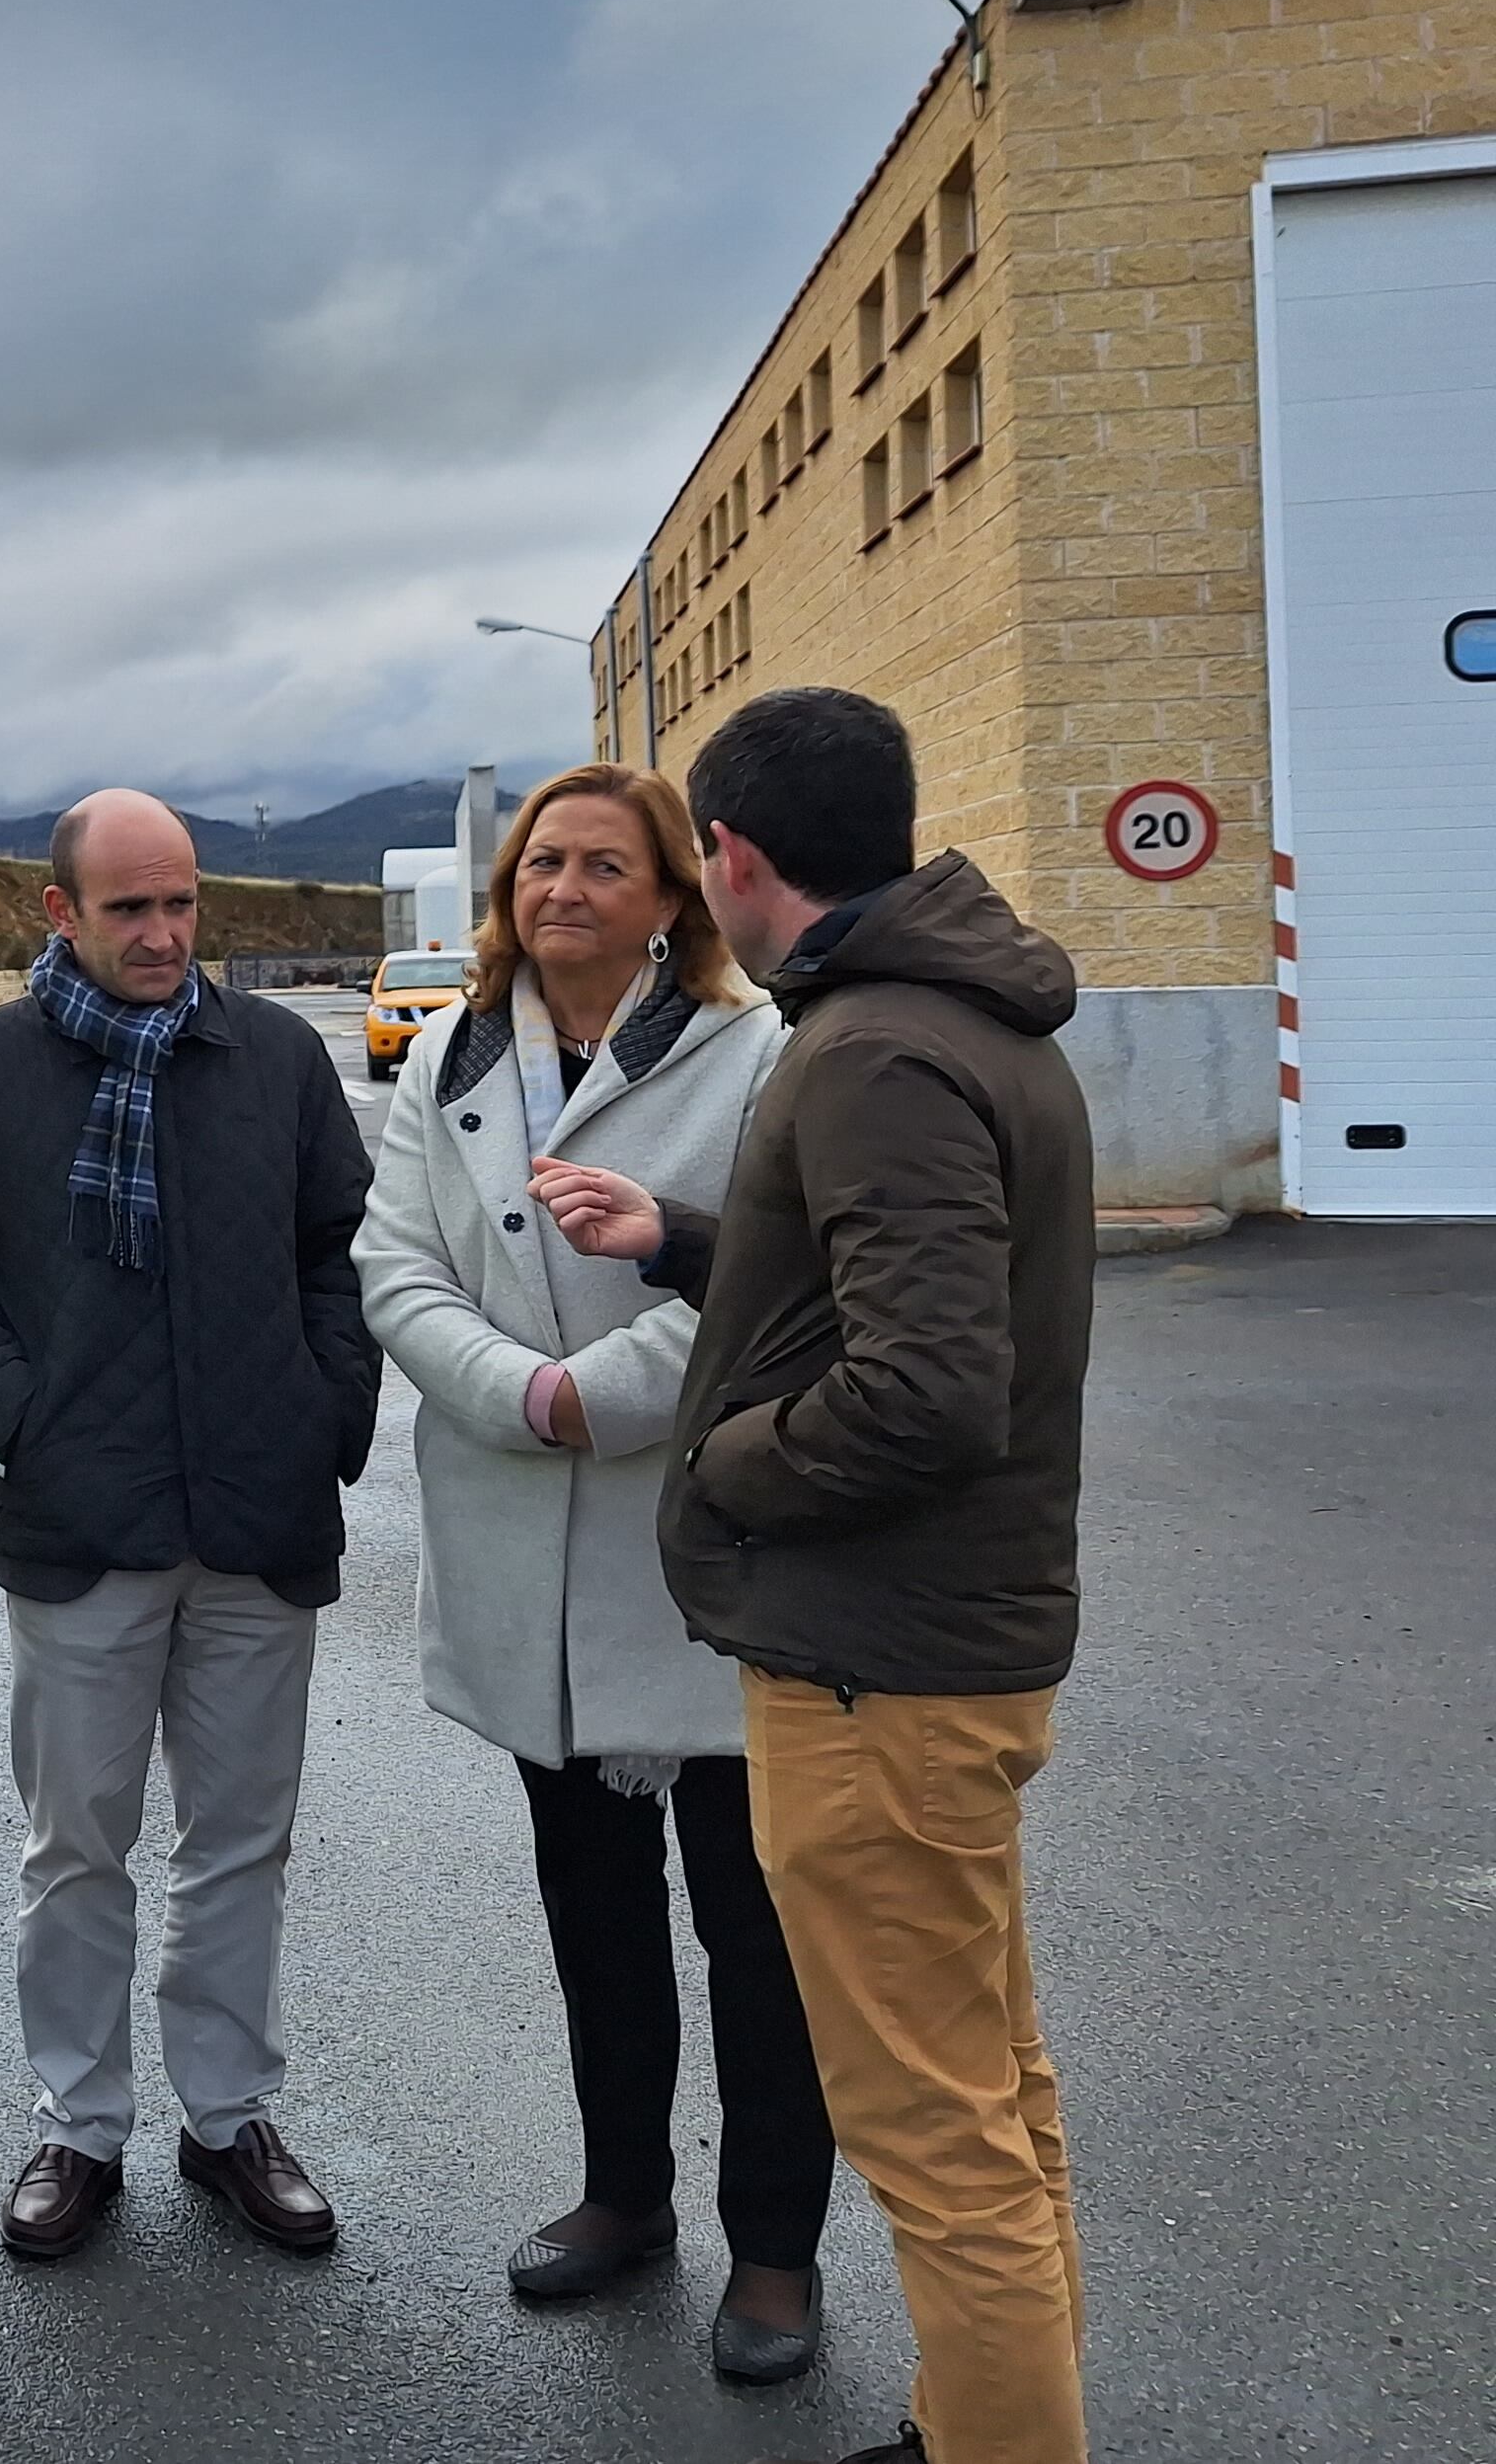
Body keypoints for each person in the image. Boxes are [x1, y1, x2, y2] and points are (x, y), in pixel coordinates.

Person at [534, 688, 1096, 2464]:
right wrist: (694, 1242)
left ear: (731, 857)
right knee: (989, 2090)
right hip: (942, 1647)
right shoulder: (951, 1017)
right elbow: (873, 1291)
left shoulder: (868, 1052)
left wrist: (724, 1466)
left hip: (878, 1671)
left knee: (935, 2134)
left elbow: (925, 1389)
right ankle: (973, 2420)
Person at [353, 762, 833, 2384]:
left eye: (604, 865)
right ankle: (624, 2194)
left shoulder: (755, 1055)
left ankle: (774, 2250)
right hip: (525, 1542)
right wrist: (519, 1395)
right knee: (595, 1913)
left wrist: (598, 1400)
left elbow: (778, 1286)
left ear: (674, 896)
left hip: (700, 1550)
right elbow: (395, 1264)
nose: (563, 887)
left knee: (758, 1934)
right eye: (541, 861)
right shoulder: (452, 1052)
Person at [0, 790, 378, 2264]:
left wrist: (325, 1410)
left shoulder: (274, 1057)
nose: (163, 935)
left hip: (259, 1512)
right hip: (79, 1522)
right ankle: (78, 2127)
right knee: (76, 1844)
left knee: (242, 1841)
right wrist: (21, 1416)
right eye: (130, 909)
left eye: (181, 904)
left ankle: (228, 2119)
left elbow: (341, 1249)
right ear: (62, 914)